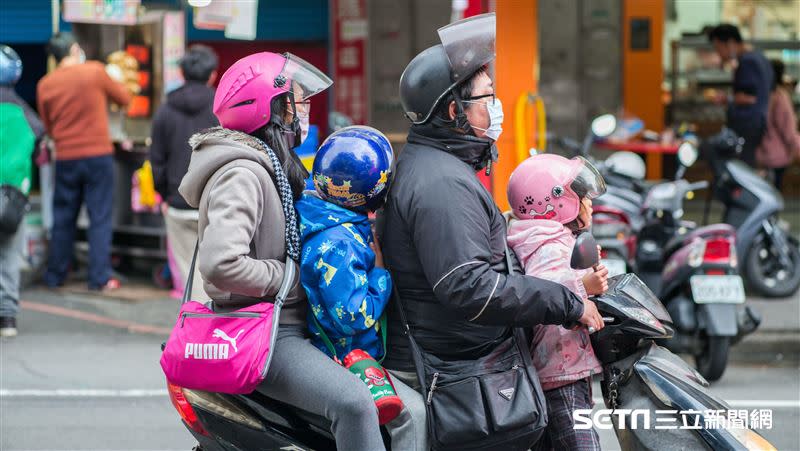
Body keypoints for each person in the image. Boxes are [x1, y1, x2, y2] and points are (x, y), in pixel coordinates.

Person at [380, 14, 604, 450]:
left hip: (468, 356)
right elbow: (469, 286)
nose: (496, 106)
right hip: (462, 370)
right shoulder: (442, 183)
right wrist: (564, 302)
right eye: (487, 97)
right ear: (453, 111)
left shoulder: (440, 167)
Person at [178, 52, 386, 451]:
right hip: (271, 332)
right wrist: (290, 276)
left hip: (287, 322)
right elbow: (221, 264)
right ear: (268, 107)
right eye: (296, 100)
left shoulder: (270, 162)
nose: (303, 109)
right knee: (356, 405)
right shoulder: (242, 173)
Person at [296, 125, 404, 424]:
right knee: (411, 415)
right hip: (349, 356)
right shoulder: (339, 246)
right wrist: (381, 276)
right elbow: (351, 315)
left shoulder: (319, 213)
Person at [506, 154, 609, 451]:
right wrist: (584, 285)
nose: (590, 203)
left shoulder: (550, 237)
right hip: (560, 368)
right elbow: (545, 292)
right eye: (583, 197)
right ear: (556, 202)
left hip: (562, 365)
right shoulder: (547, 244)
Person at [37, 32, 131, 291]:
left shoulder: (45, 84)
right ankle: (98, 278)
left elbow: (48, 125)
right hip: (98, 156)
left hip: (66, 156)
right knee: (98, 216)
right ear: (75, 49)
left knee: (63, 217)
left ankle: (55, 276)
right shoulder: (95, 71)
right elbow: (124, 99)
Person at [149, 45, 219, 299]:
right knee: (216, 272)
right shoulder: (221, 108)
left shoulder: (164, 111)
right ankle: (213, 328)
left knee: (186, 271)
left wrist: (164, 196)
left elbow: (156, 160)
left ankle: (195, 327)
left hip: (178, 202)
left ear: (180, 72)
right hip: (215, 202)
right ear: (213, 74)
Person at [0, 45, 45, 337]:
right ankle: (7, 319)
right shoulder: (26, 113)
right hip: (12, 197)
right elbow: (38, 149)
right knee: (8, 254)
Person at [708, 24, 773, 167]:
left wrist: (726, 98)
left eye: (719, 48)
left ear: (730, 43)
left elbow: (750, 97)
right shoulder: (760, 58)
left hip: (746, 126)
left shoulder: (747, 61)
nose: (719, 53)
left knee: (741, 169)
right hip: (756, 124)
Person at [756, 59, 800, 191]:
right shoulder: (780, 97)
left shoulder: (760, 94)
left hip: (759, 154)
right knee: (773, 196)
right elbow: (788, 131)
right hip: (776, 156)